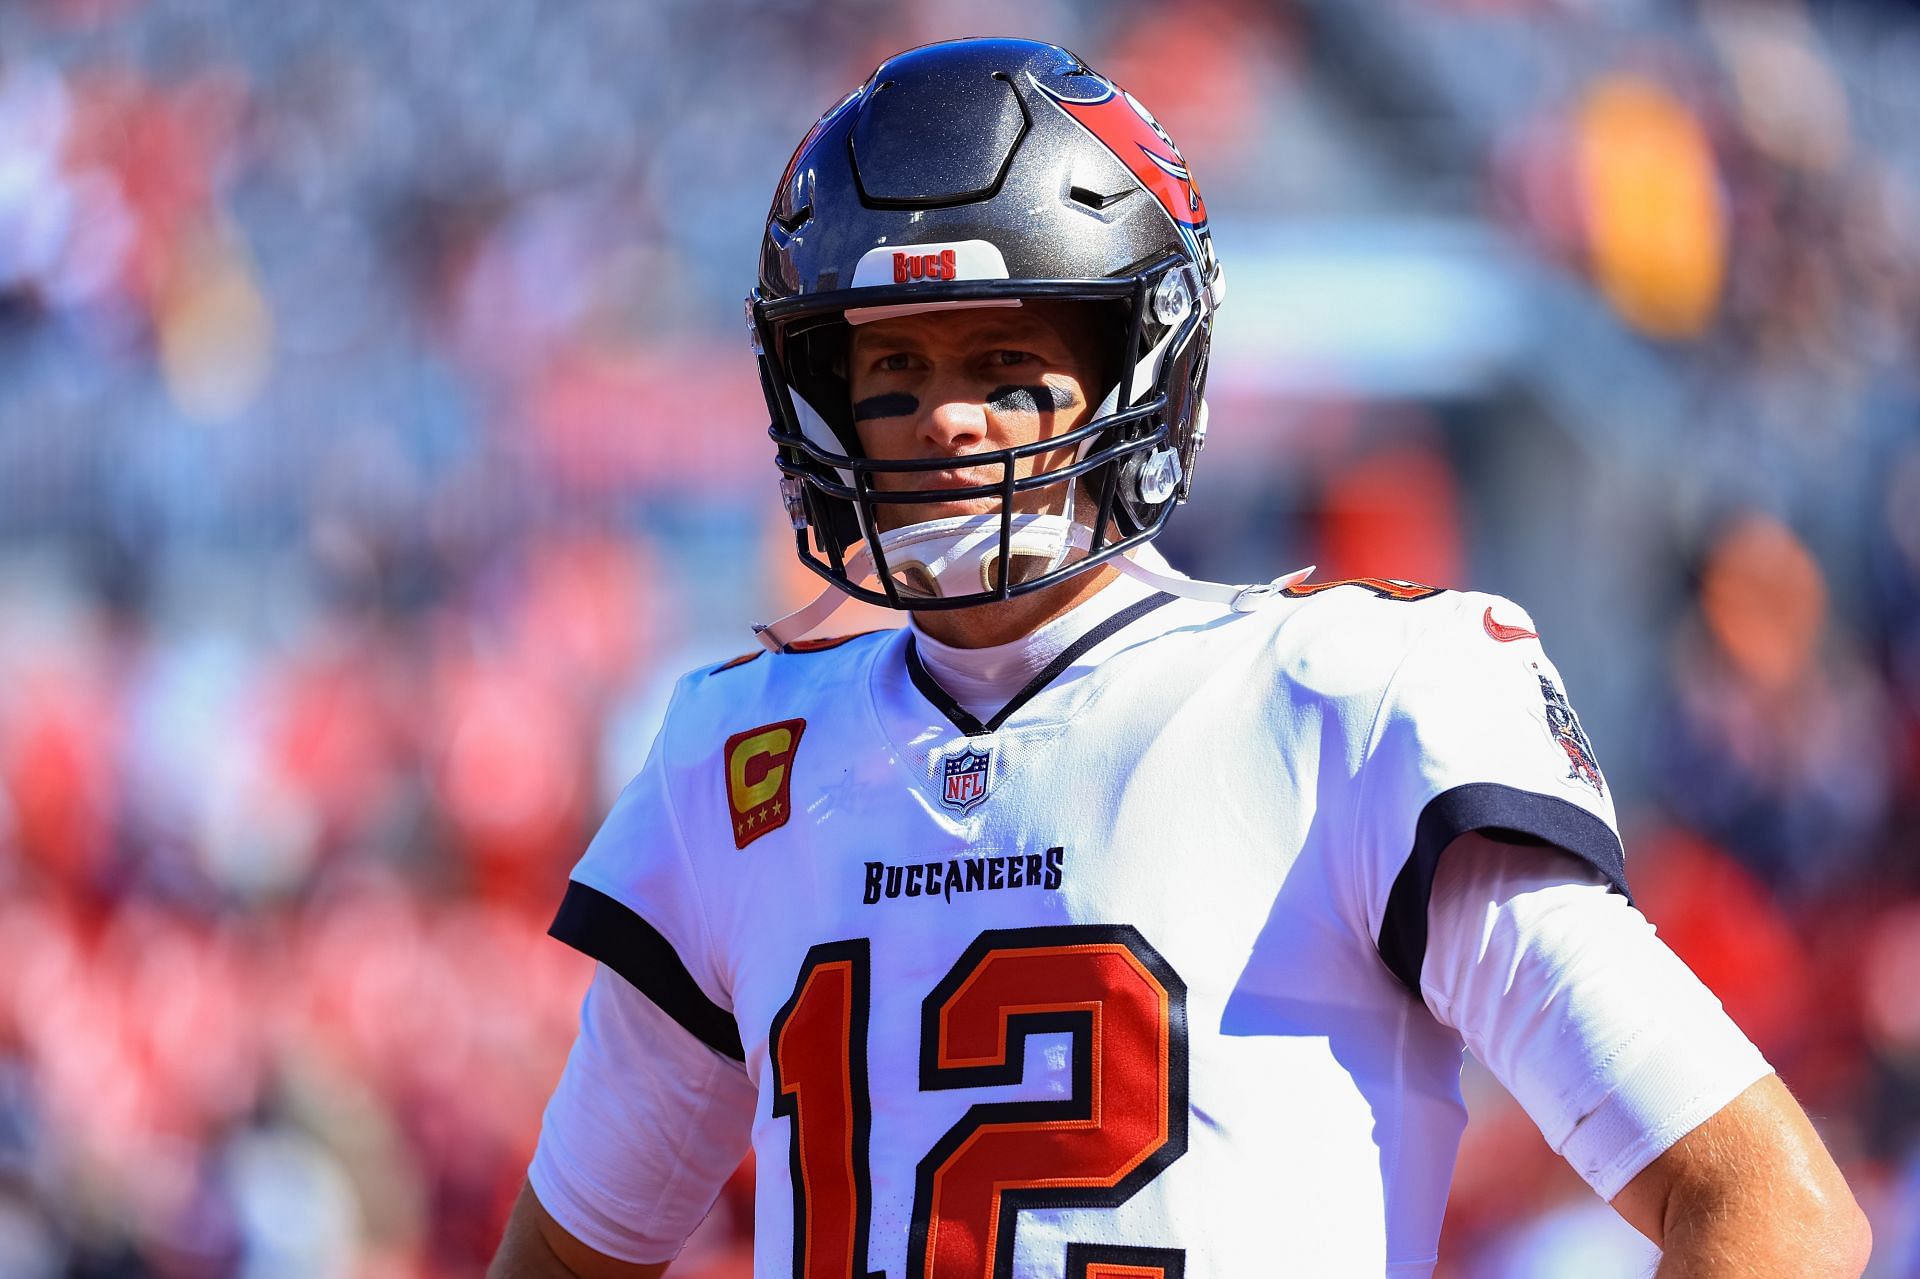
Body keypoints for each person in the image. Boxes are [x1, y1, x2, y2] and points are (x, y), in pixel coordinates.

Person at [490, 37, 1870, 1279]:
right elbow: (569, 1255)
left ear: (1139, 367)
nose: (946, 424)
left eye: (1006, 365)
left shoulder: (1342, 701)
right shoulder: (741, 761)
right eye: (890, 375)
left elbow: (1767, 1206)